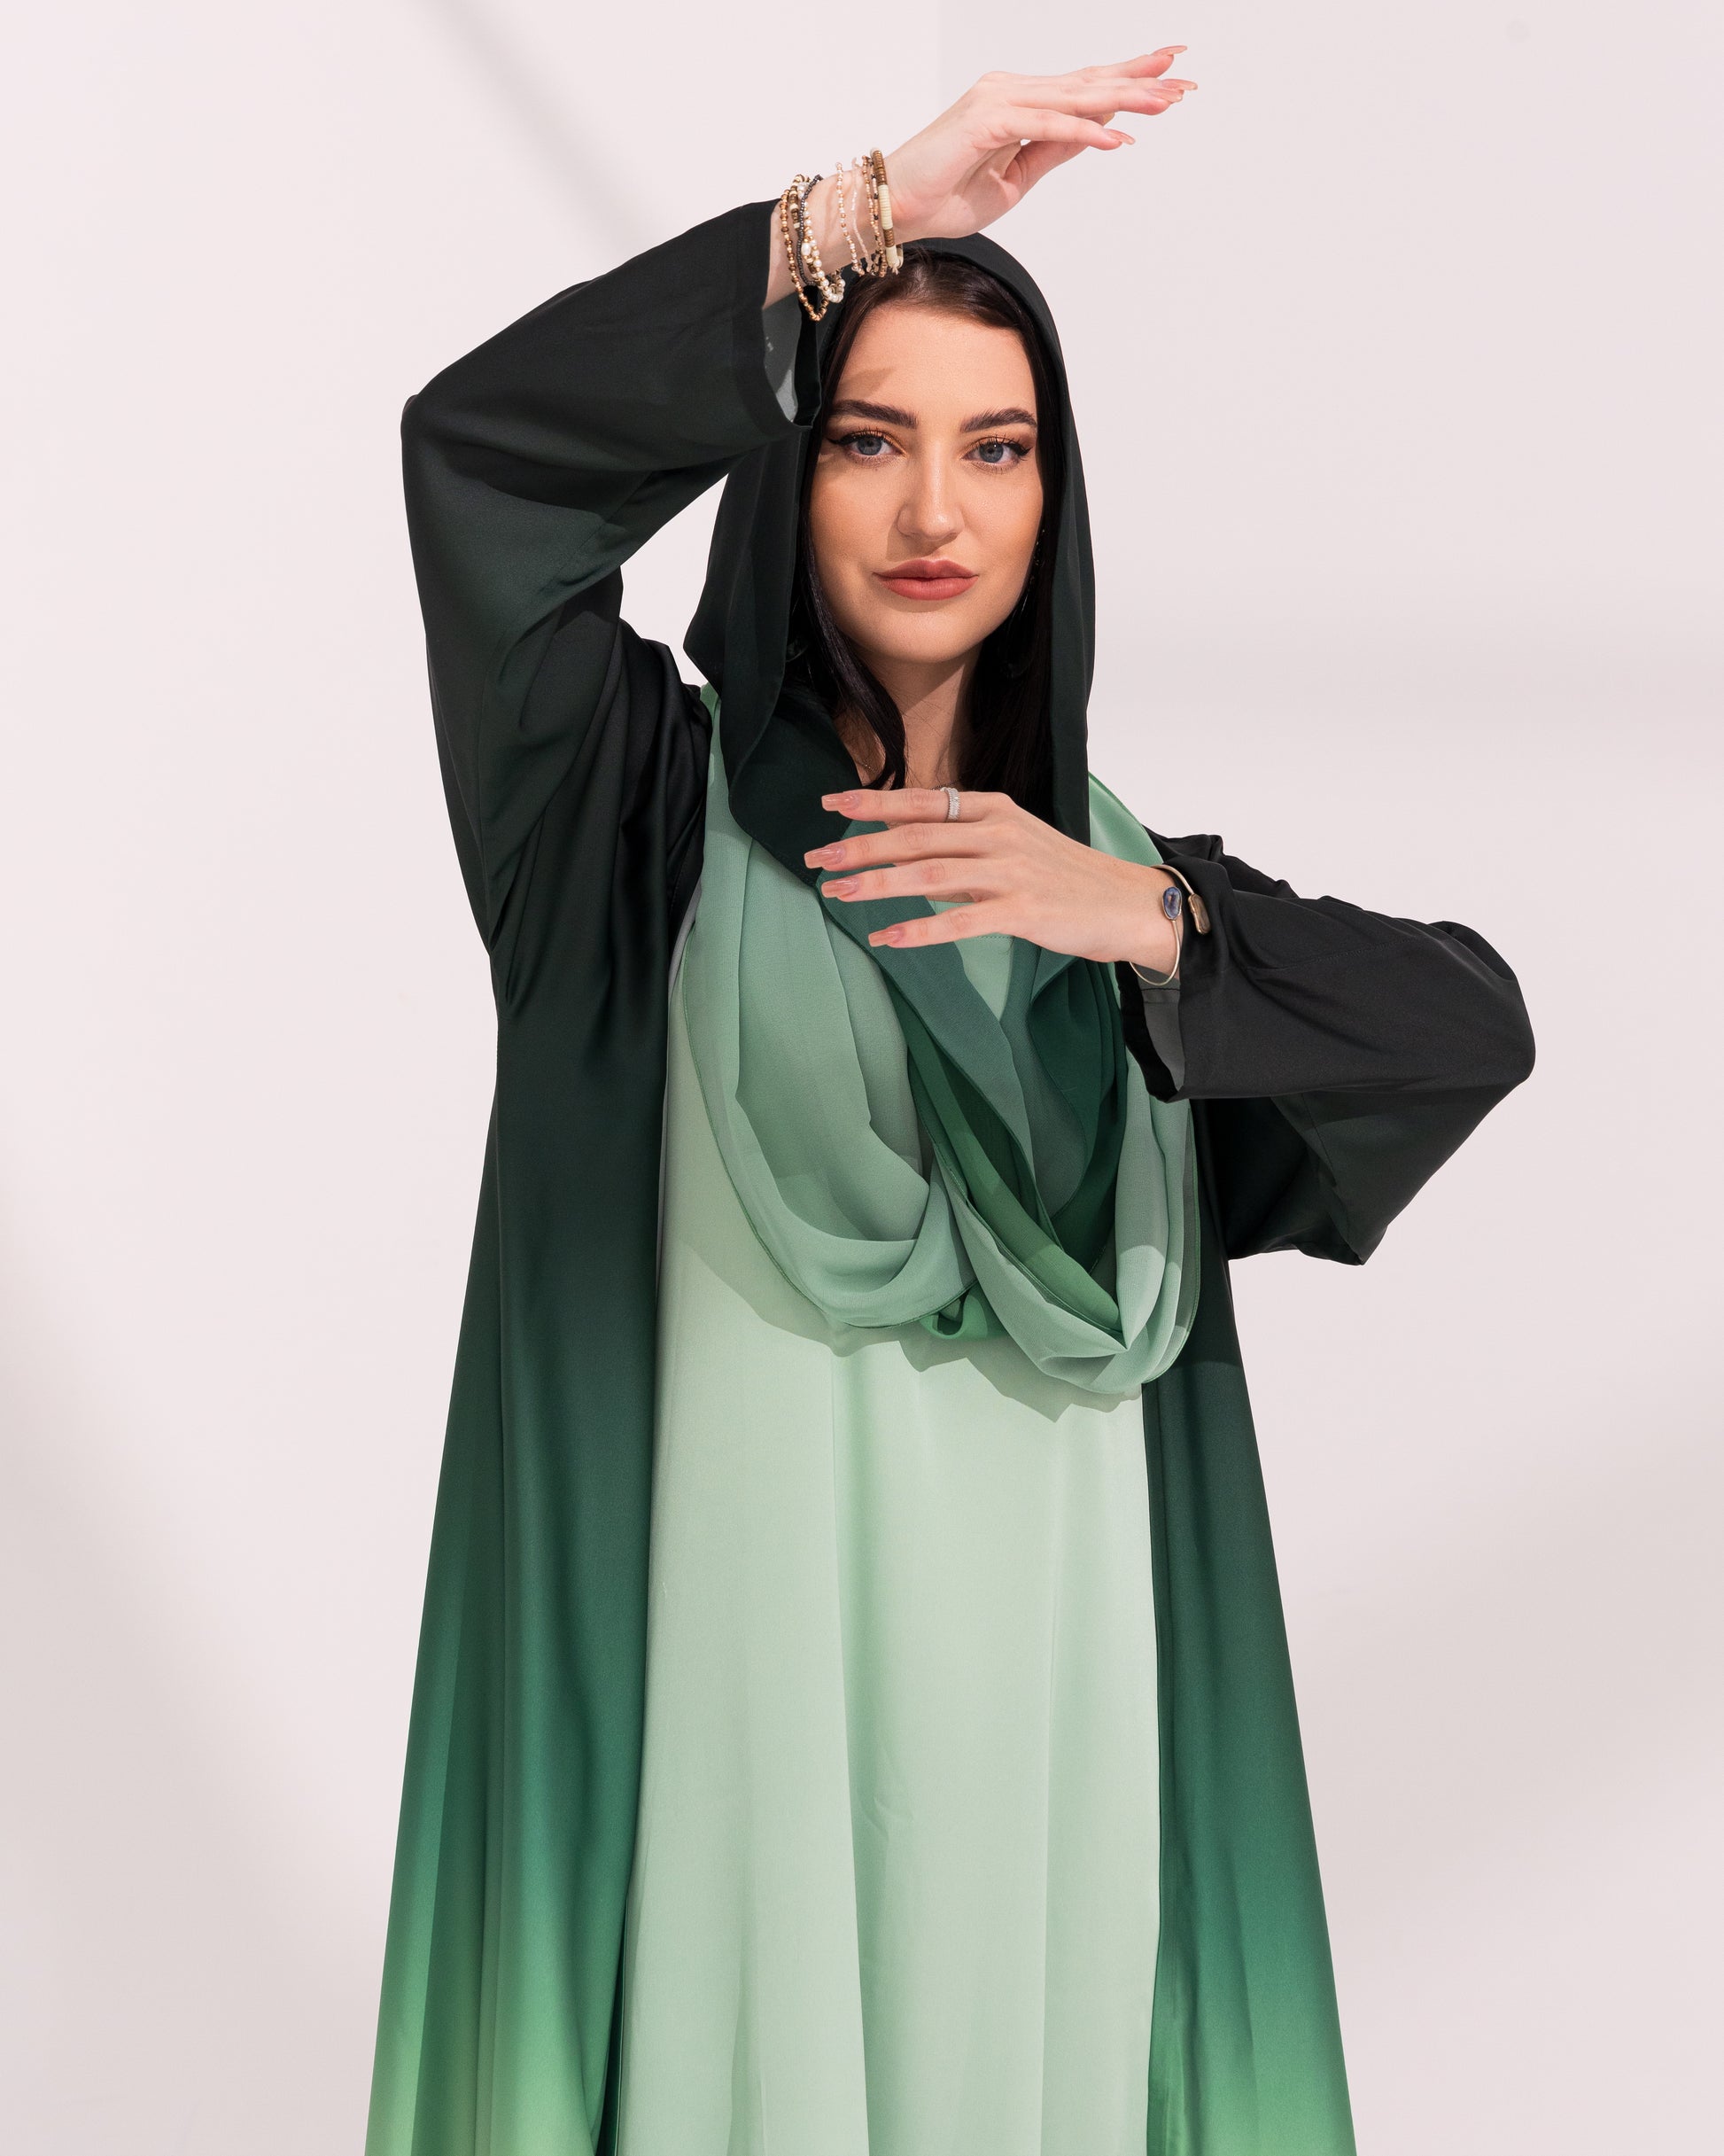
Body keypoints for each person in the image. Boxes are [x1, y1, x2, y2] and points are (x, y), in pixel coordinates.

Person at [365, 53, 1534, 2156]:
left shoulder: (1120, 893)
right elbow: (482, 464)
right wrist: (859, 216)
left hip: (1057, 1740)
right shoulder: (625, 819)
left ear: (1051, 499)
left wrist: (1154, 918)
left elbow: (1468, 1028)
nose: (934, 513)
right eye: (870, 441)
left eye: (995, 450)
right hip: (729, 1738)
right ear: (785, 470)